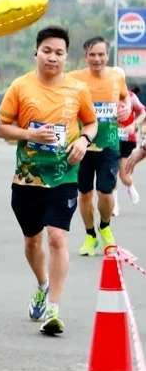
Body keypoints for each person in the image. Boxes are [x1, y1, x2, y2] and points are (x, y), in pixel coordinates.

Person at [0, 25, 97, 335]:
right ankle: (42, 284)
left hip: (64, 174)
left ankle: (53, 307)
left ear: (66, 57)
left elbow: (91, 123)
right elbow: (2, 128)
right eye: (47, 51)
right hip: (27, 178)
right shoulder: (20, 86)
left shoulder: (78, 89)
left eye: (59, 53)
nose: (53, 57)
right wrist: (29, 134)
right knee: (32, 240)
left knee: (57, 236)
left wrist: (82, 139)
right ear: (36, 52)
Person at [67, 37, 129, 256]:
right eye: (92, 55)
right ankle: (90, 235)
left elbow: (126, 98)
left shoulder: (117, 77)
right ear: (86, 57)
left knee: (105, 192)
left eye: (101, 54)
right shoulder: (74, 79)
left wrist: (126, 109)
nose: (97, 59)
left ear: (107, 55)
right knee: (84, 194)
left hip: (109, 145)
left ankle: (105, 227)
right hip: (82, 146)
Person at [117, 85, 144, 206]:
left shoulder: (131, 97)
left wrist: (134, 124)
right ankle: (113, 204)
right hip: (108, 140)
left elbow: (143, 113)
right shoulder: (104, 95)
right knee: (108, 174)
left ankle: (129, 185)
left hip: (126, 139)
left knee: (124, 176)